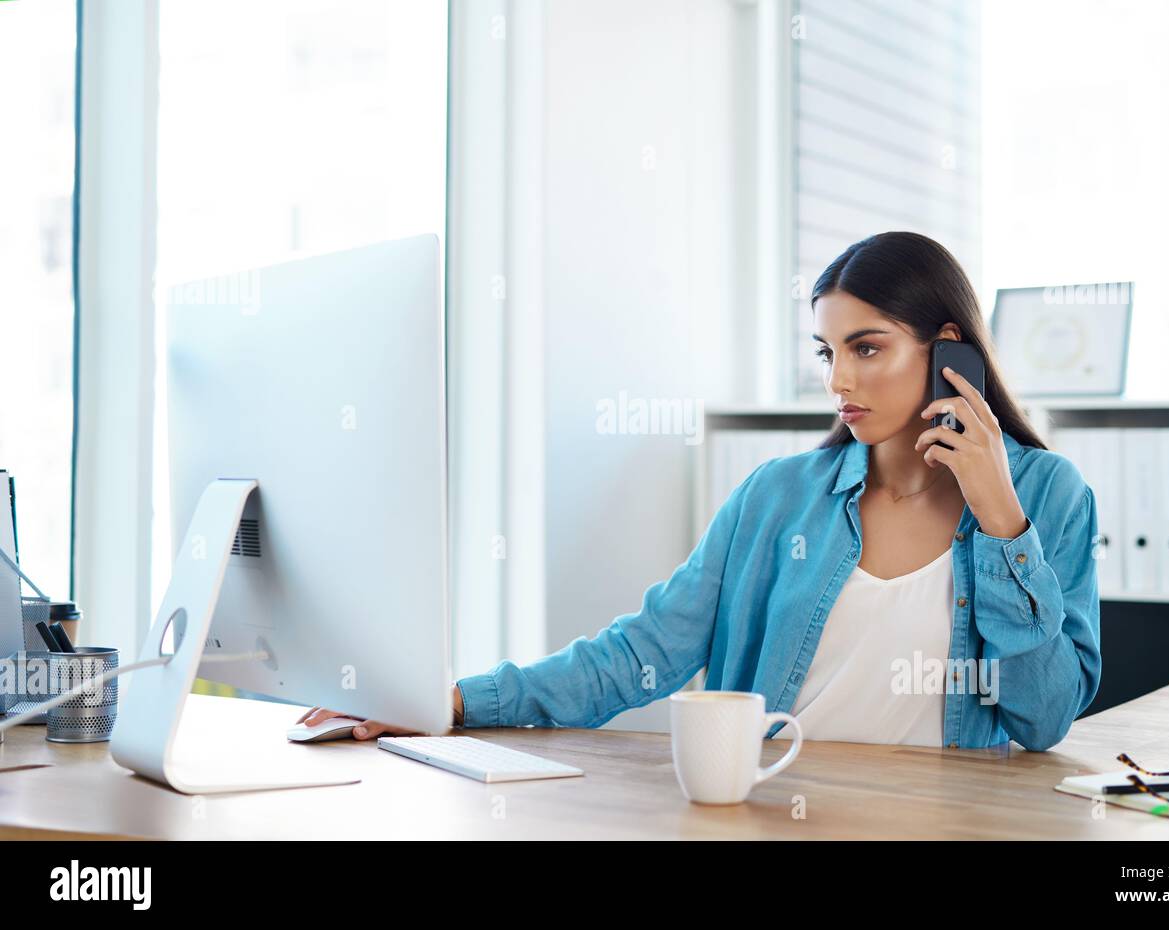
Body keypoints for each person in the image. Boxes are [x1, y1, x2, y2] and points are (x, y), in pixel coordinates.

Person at [300, 231, 1101, 751]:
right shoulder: (776, 499)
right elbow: (643, 655)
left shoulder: (1050, 498)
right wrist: (453, 703)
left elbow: (1043, 720)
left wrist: (1001, 521)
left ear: (946, 352)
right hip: (778, 819)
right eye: (827, 352)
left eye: (867, 347)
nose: (840, 380)